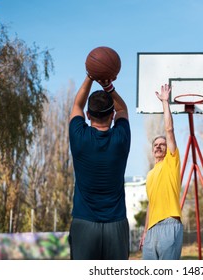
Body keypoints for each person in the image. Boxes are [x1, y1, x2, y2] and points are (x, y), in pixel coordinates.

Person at [68, 74, 131, 260]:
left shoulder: (79, 136)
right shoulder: (121, 138)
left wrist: (89, 76)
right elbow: (123, 109)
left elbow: (76, 105)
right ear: (112, 116)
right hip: (116, 224)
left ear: (88, 115)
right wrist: (108, 87)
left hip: (84, 222)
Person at [139, 84, 183, 260]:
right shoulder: (150, 175)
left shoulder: (171, 162)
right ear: (152, 150)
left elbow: (169, 131)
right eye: (155, 145)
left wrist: (165, 103)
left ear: (167, 149)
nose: (158, 146)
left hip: (169, 224)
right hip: (151, 231)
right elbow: (151, 204)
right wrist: (145, 232)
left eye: (162, 144)